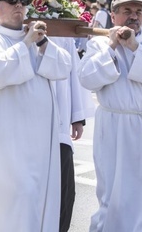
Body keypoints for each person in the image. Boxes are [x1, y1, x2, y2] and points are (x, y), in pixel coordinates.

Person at [0, 0, 71, 232]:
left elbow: (63, 67)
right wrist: (25, 44)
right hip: (8, 139)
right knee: (15, 198)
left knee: (37, 198)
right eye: (12, 1)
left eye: (23, 2)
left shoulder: (36, 38)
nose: (18, 6)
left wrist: (42, 43)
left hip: (40, 140)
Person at [79, 0, 142, 232]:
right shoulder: (99, 45)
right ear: (113, 16)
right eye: (127, 11)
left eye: (138, 12)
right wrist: (112, 46)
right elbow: (87, 79)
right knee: (112, 195)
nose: (134, 16)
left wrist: (134, 47)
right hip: (113, 129)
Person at [49, 36, 95, 232]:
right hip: (24, 128)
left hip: (59, 124)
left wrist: (77, 116)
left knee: (63, 192)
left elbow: (74, 75)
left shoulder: (61, 34)